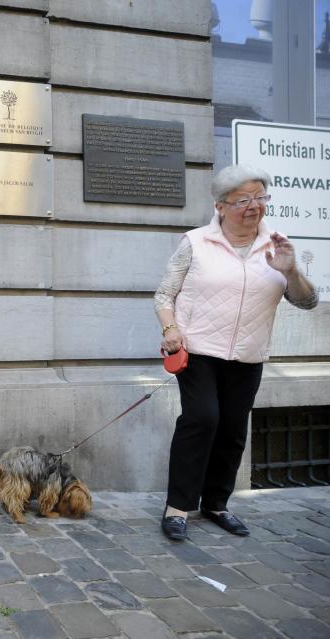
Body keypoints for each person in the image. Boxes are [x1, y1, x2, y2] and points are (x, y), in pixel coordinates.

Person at [154, 164, 318, 541]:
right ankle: (178, 506)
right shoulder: (195, 242)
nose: (253, 206)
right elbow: (165, 294)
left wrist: (291, 271)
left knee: (231, 430)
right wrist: (171, 328)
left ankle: (215, 503)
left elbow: (307, 302)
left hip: (248, 354)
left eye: (260, 197)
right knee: (202, 419)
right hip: (197, 352)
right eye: (243, 199)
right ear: (220, 206)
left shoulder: (277, 245)